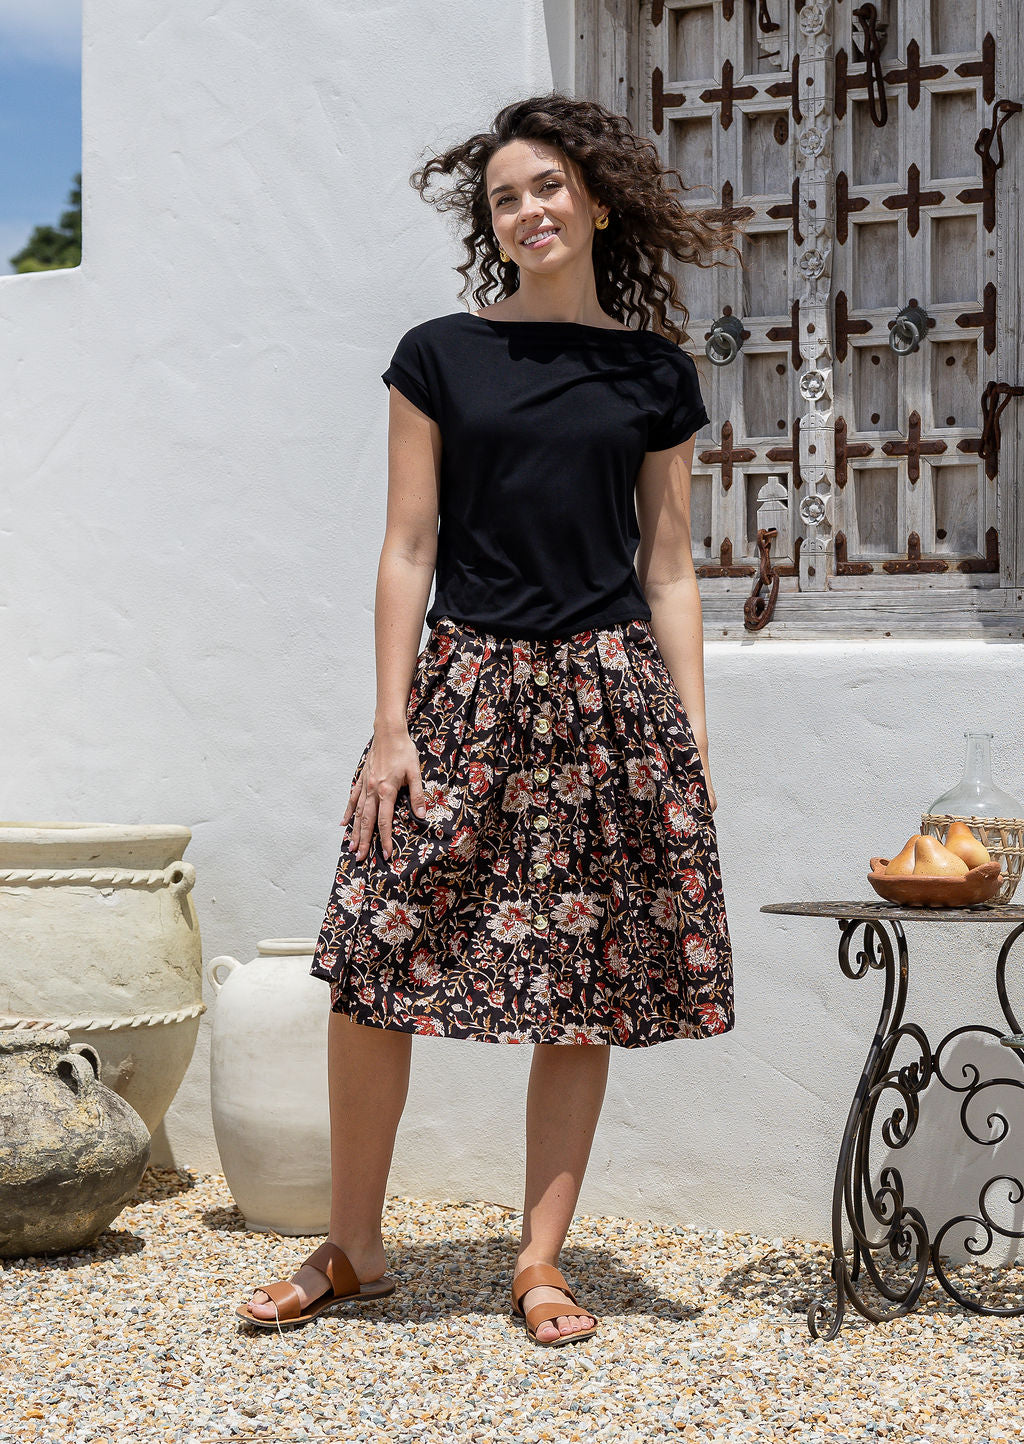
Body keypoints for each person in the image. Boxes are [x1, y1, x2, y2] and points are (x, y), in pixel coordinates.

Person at [238, 91, 742, 1347]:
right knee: (372, 955)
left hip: (606, 696)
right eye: (506, 195)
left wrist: (686, 733)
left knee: (579, 985)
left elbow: (670, 566)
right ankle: (355, 1242)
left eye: (549, 185)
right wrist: (390, 725)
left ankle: (538, 1261)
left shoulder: (653, 371)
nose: (528, 208)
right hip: (460, 686)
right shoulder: (437, 355)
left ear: (597, 201)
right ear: (493, 221)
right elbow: (407, 545)